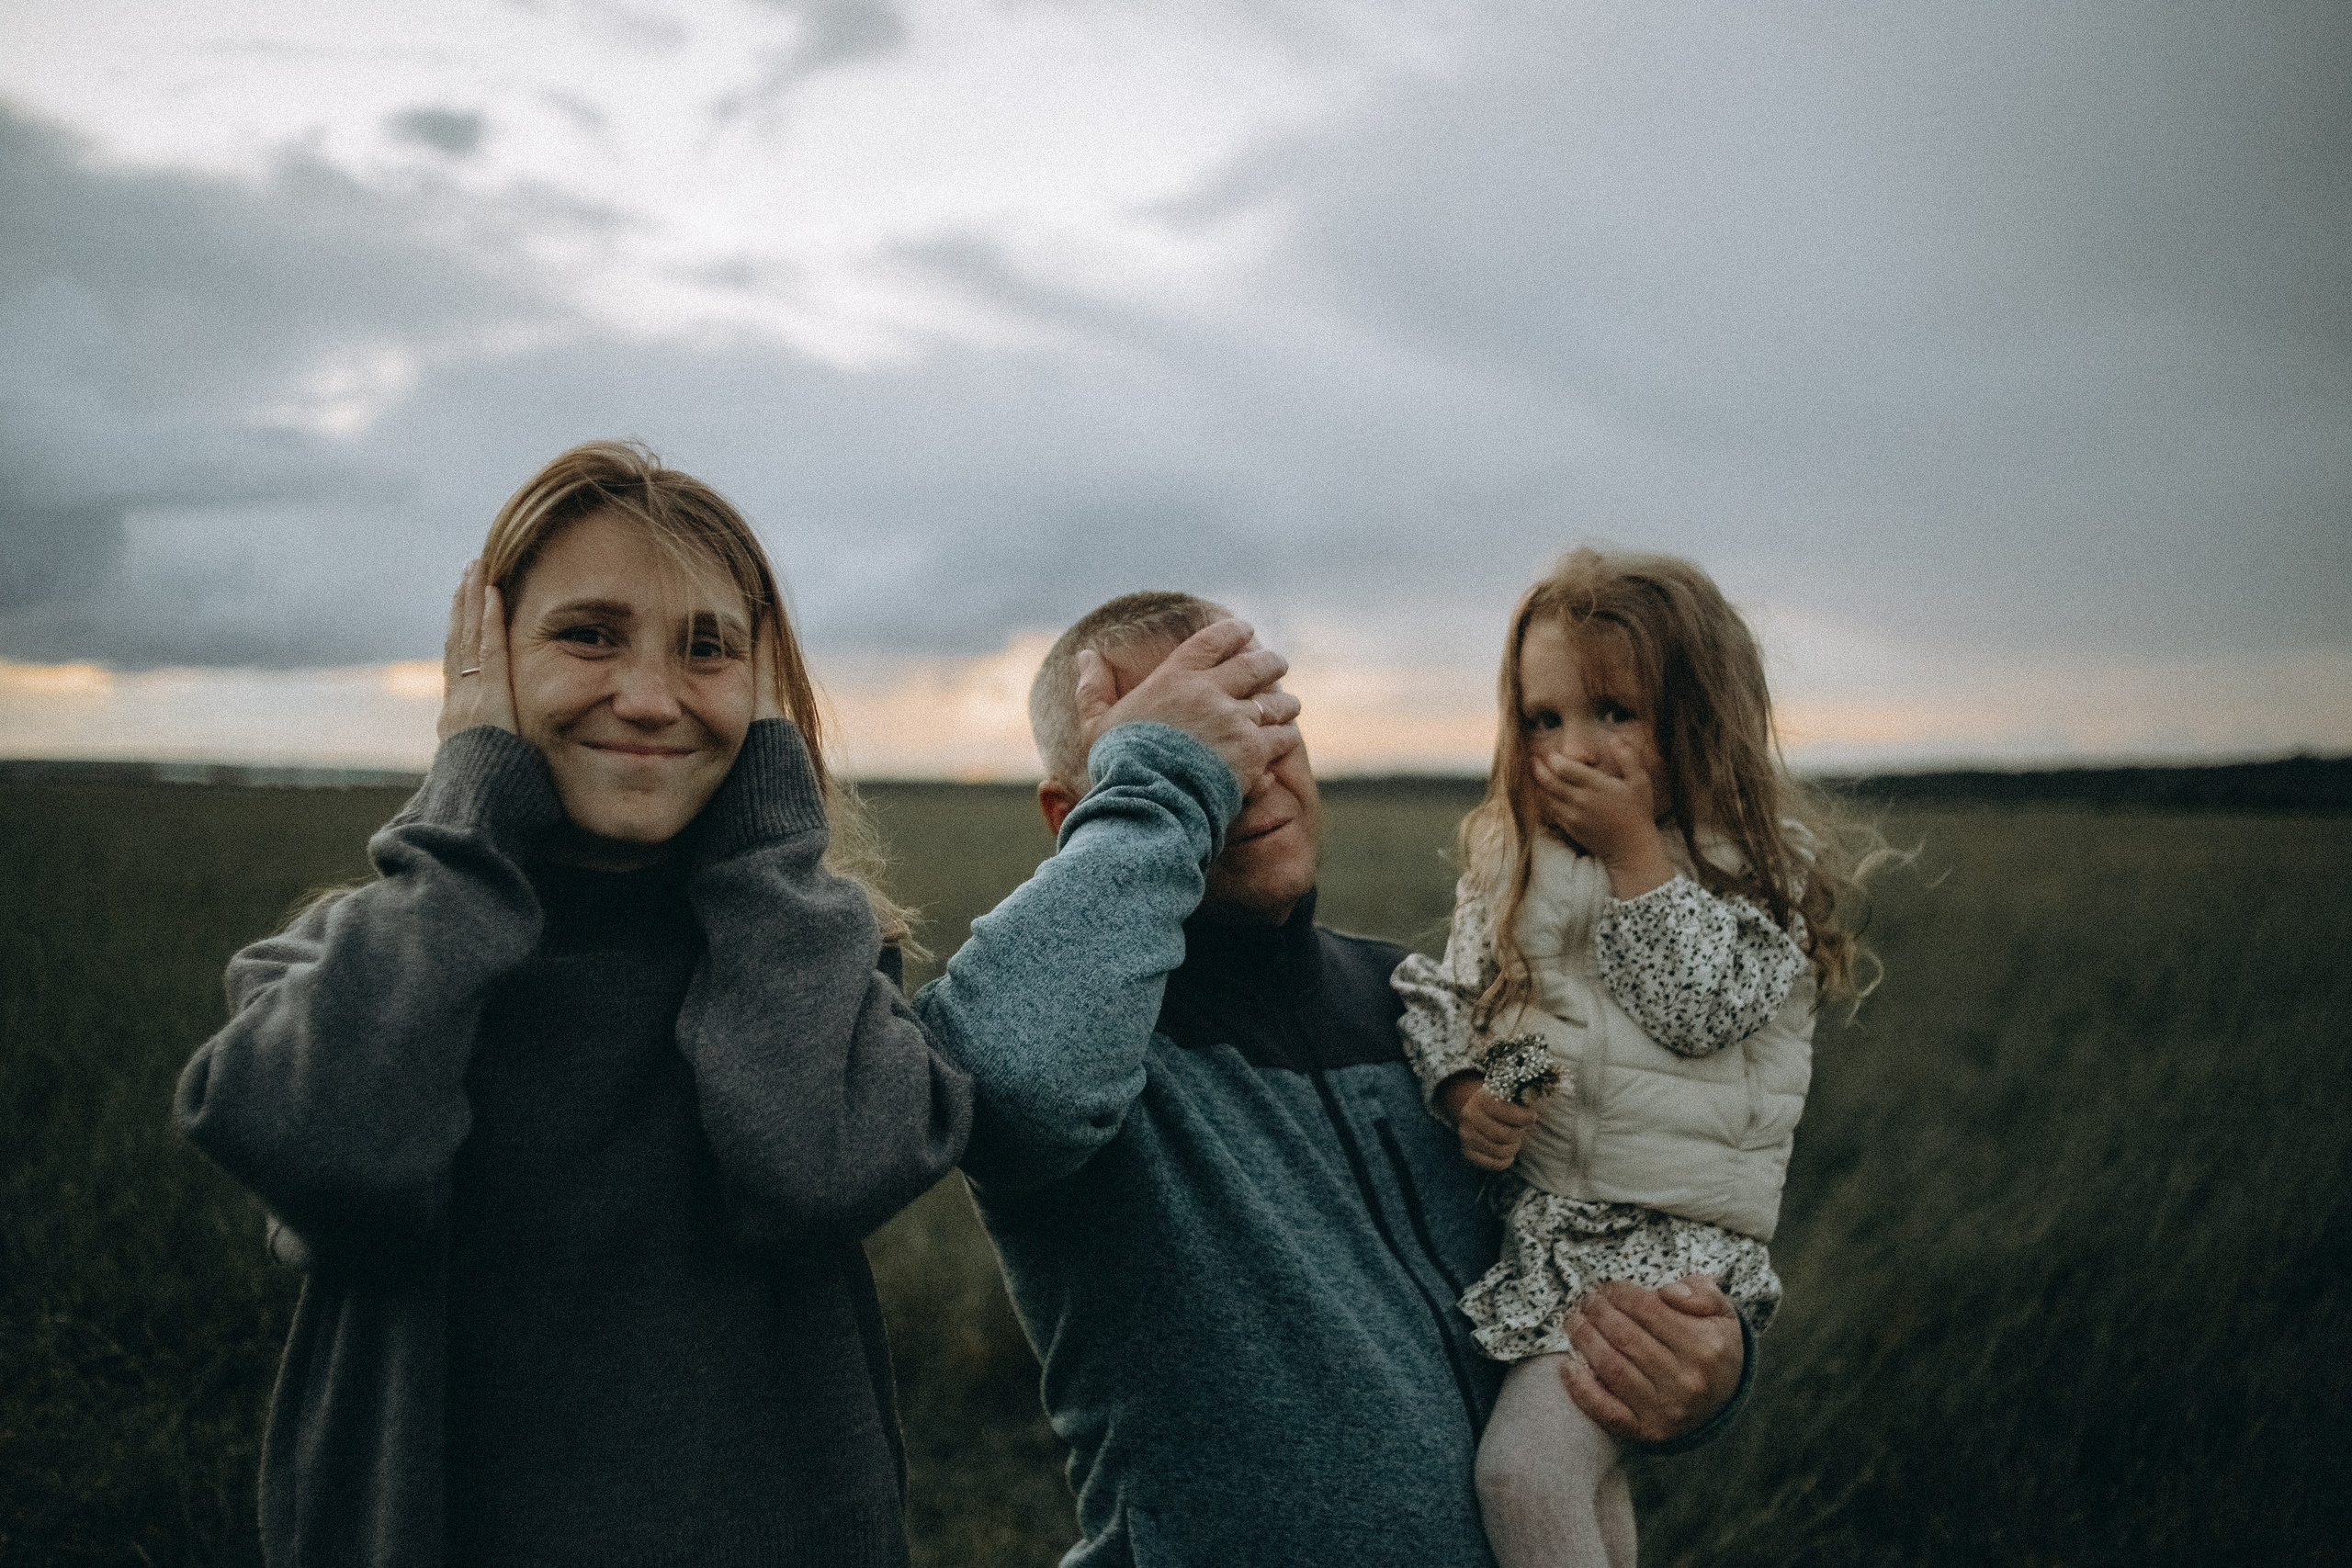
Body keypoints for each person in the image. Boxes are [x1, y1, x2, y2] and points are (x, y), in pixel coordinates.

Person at [173, 442, 973, 1568]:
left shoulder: (810, 962)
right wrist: (465, 830)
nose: (646, 699)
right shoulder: (360, 958)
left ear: (765, 694)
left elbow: (815, 1175)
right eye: (588, 635)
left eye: (707, 649)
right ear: (486, 663)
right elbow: (336, 1161)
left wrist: (763, 855)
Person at [910, 592, 1752, 1568]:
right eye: (1200, 748)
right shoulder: (1086, 1044)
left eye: (1265, 732)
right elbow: (1008, 1085)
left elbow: (1571, 1096)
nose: (1254, 780)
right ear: (1079, 812)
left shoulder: (1410, 993)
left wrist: (1702, 1362)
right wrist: (1157, 789)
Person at [1392, 547, 1882, 1567]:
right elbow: (1525, 1027)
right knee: (1583, 1486)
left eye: (1615, 711)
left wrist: (1634, 858)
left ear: (1700, 721)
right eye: (1544, 718)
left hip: (1670, 1244)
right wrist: (1485, 1094)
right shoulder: (1515, 861)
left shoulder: (1757, 871)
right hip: (1555, 1233)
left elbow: (1698, 1010)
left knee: (1523, 1474)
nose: (1574, 748)